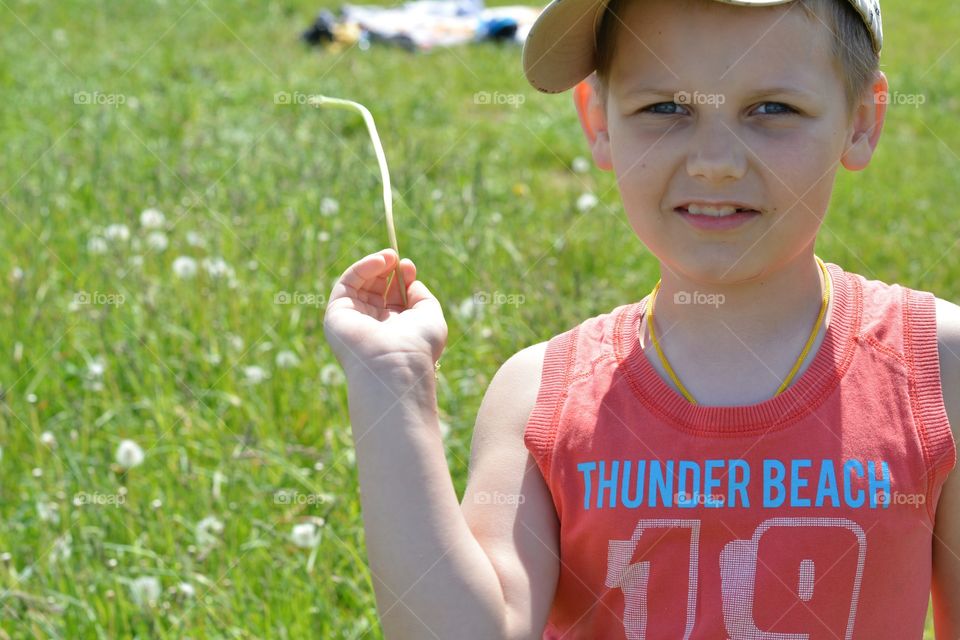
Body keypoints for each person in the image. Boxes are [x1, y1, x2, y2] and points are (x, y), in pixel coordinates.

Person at [322, 0, 960, 636]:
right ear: (598, 120)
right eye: (665, 108)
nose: (716, 161)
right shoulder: (538, 400)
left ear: (862, 120)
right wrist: (393, 380)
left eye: (773, 109)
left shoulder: (937, 369)